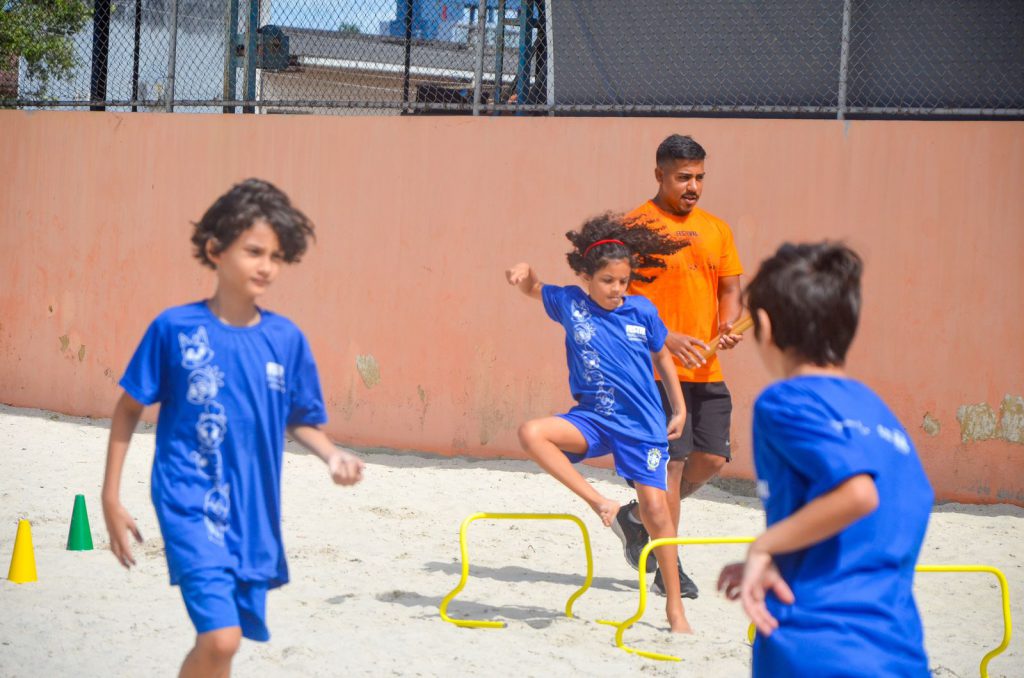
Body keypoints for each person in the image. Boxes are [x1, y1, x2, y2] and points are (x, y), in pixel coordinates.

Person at [101, 179, 365, 678]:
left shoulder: (286, 339)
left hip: (253, 508)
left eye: (277, 255)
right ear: (215, 250)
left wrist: (332, 454)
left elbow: (301, 419)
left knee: (229, 641)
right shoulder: (173, 328)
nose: (267, 265)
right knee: (221, 640)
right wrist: (110, 497)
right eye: (254, 251)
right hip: (186, 500)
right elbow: (127, 409)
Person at [716, 242, 933, 676]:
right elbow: (870, 529)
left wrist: (765, 545)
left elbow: (857, 495)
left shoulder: (784, 400)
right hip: (898, 651)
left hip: (814, 645)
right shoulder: (879, 413)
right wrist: (786, 555)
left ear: (764, 324)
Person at [506, 213, 694, 633]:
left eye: (623, 281)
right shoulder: (570, 303)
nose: (617, 289)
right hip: (592, 418)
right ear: (587, 277)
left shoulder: (642, 310)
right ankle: (602, 504)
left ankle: (674, 607)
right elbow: (534, 287)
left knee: (656, 511)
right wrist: (523, 273)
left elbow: (663, 356)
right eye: (608, 281)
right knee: (531, 432)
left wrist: (678, 409)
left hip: (642, 425)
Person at [613, 134, 745, 599]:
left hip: (705, 369)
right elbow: (616, 295)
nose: (693, 186)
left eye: (700, 178)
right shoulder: (635, 227)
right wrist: (664, 335)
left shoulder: (717, 229)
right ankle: (671, 568)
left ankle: (637, 515)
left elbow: (730, 288)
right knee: (671, 467)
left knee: (710, 460)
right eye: (683, 177)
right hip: (653, 370)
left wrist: (727, 324)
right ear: (659, 175)